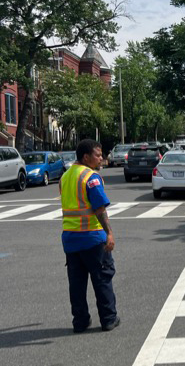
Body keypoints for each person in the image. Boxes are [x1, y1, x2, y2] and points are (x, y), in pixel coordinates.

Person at [60, 139, 120, 333]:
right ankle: (108, 319)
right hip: (92, 237)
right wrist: (109, 233)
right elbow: (99, 208)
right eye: (98, 155)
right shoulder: (90, 177)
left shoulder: (65, 176)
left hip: (70, 239)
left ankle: (80, 321)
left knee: (76, 284)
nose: (101, 158)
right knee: (102, 278)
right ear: (86, 157)